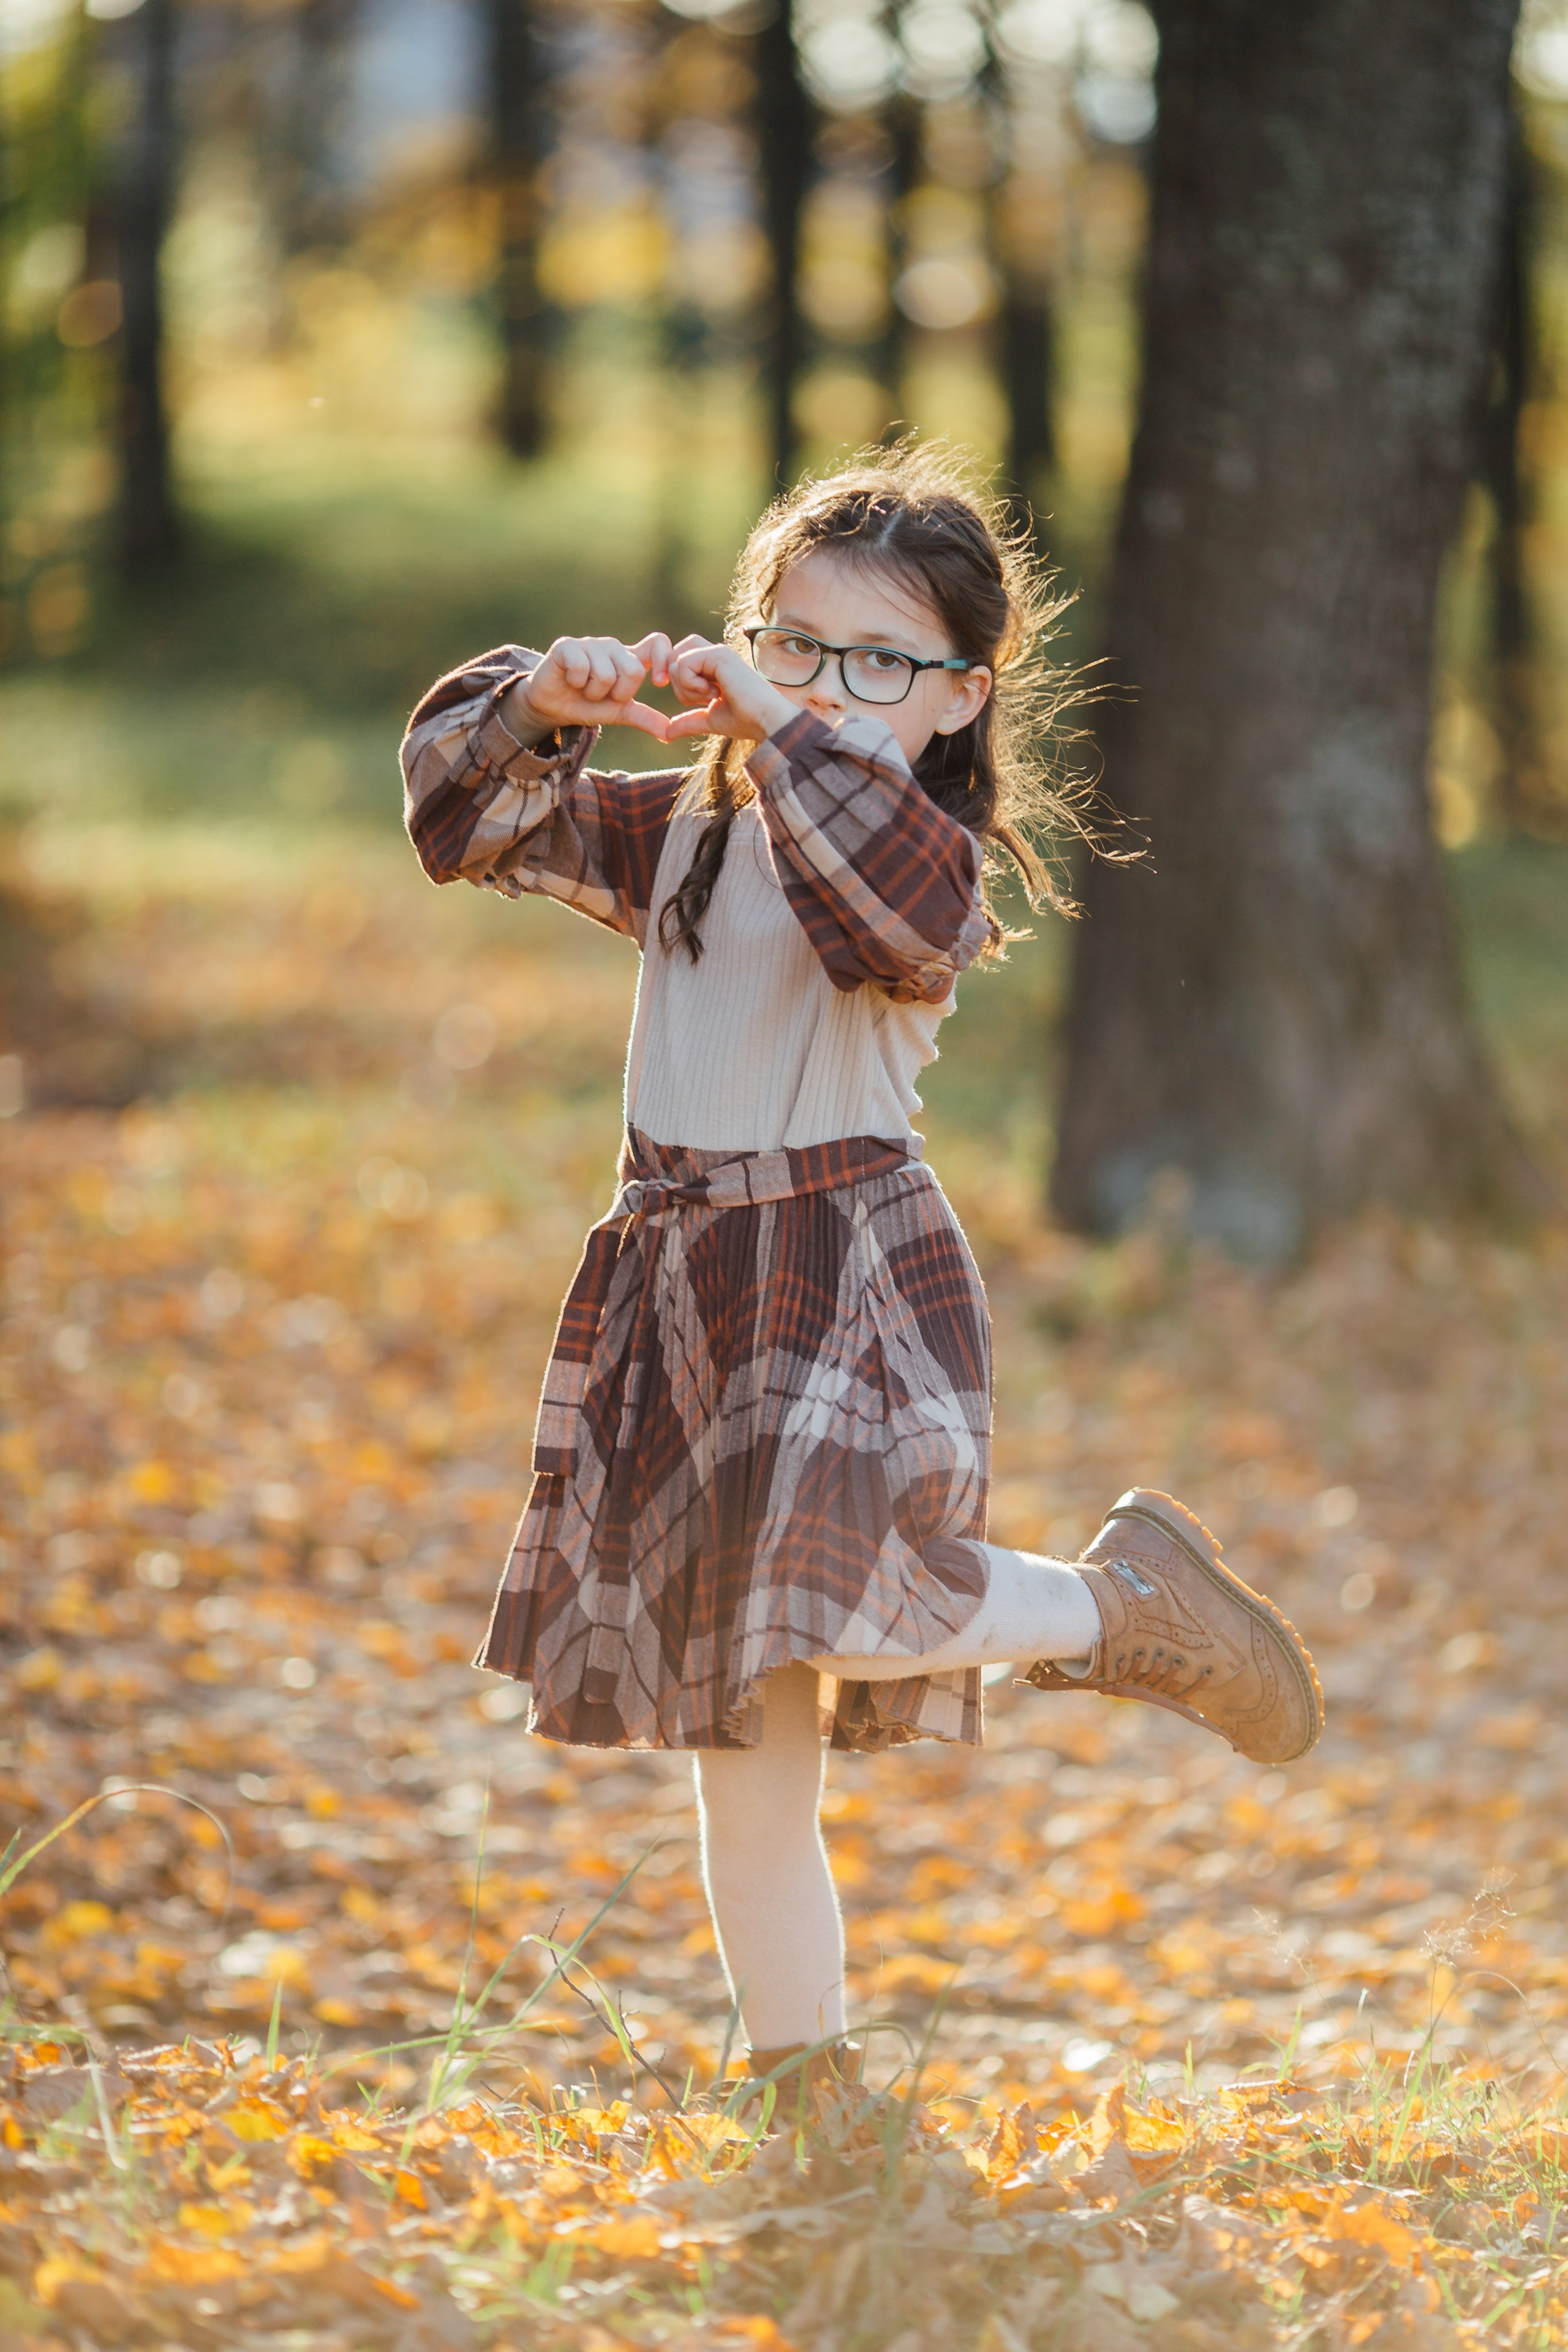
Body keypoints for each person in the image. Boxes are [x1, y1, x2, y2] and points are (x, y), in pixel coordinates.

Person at [401, 444, 1323, 2108]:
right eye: (795, 641)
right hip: (681, 1281)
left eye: (877, 664)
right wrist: (551, 697)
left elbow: (872, 889)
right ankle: (803, 2083)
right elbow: (468, 824)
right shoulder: (686, 834)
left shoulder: (926, 872)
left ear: (962, 701)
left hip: (839, 1270)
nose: (823, 685)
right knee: (745, 1747)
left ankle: (1124, 1607)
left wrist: (782, 720)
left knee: (863, 1602)